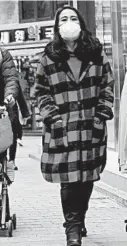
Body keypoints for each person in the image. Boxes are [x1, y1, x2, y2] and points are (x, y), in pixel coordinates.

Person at [34, 6, 114, 246]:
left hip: (91, 127)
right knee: (69, 181)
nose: (69, 22)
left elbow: (107, 86)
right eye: (63, 19)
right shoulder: (48, 57)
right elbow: (40, 92)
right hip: (63, 129)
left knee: (87, 180)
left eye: (73, 18)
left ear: (80, 23)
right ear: (57, 27)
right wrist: (54, 119)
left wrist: (100, 115)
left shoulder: (96, 53)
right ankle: (72, 230)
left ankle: (80, 218)